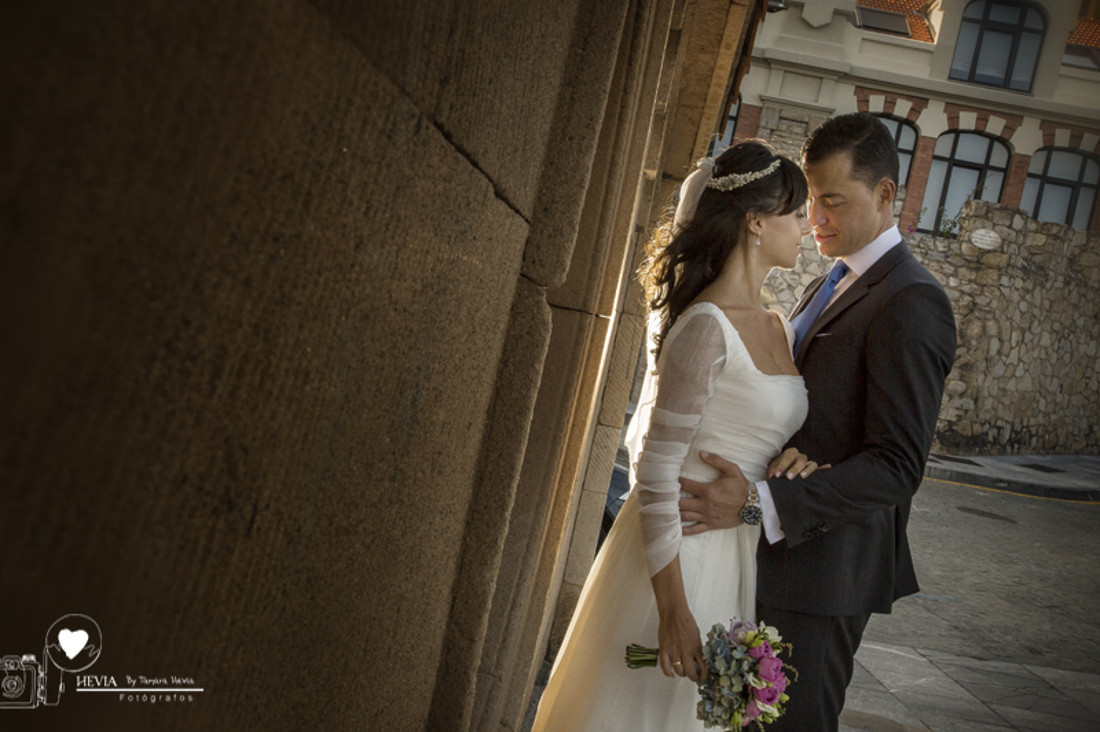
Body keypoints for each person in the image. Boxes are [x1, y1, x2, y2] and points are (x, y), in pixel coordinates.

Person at [678, 112, 957, 731]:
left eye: (833, 201)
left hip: (823, 579)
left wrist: (759, 503)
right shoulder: (828, 282)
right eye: (812, 201)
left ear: (885, 195)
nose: (817, 219)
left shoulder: (911, 300)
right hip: (765, 564)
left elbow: (897, 467)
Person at [533, 140, 820, 731]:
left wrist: (793, 462)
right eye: (798, 213)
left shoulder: (776, 325)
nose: (807, 227)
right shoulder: (705, 328)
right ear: (756, 223)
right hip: (679, 561)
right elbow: (656, 470)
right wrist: (673, 611)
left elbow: (764, 433)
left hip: (737, 554)